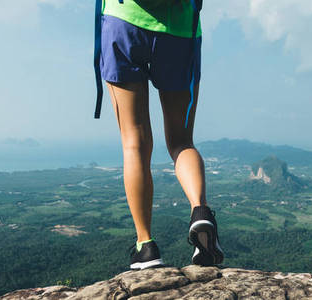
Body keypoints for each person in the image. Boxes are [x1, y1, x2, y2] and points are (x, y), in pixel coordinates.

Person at [94, 0, 223, 270]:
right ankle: (200, 210)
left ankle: (146, 246)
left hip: (123, 21)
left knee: (135, 144)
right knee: (181, 141)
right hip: (180, 29)